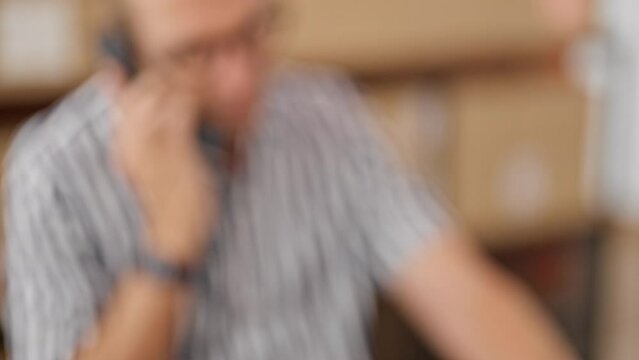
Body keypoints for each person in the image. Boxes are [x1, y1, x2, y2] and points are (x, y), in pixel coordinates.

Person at [3, 0, 578, 359]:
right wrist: (168, 244)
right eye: (196, 54)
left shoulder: (329, 120)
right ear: (123, 62)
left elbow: (465, 294)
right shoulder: (50, 179)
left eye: (252, 32)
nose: (239, 81)